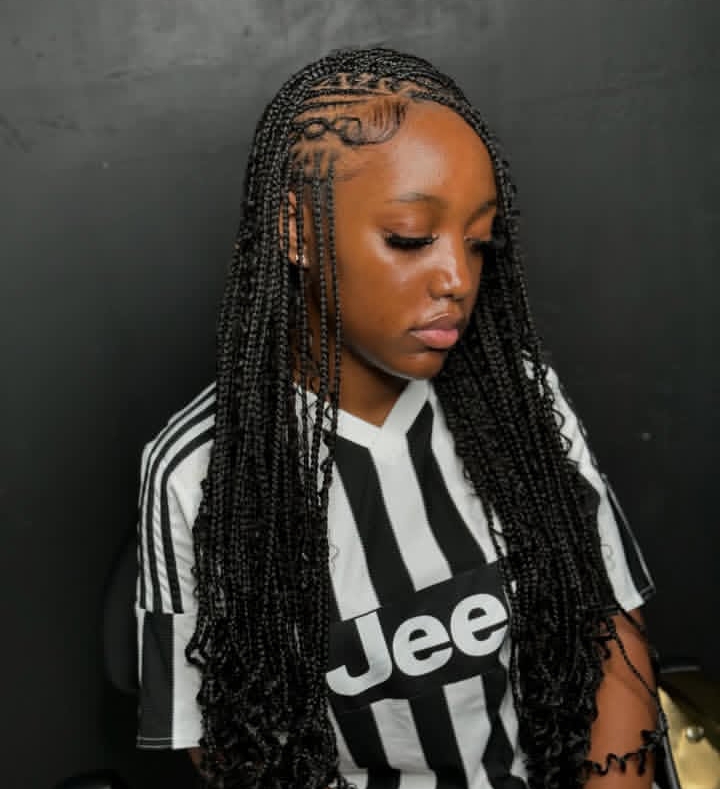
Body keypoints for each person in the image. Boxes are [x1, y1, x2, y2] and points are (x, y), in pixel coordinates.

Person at [135, 47, 664, 789]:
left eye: (479, 243)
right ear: (296, 229)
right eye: (412, 238)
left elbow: (609, 637)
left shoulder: (519, 401)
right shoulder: (196, 470)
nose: (456, 279)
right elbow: (230, 745)